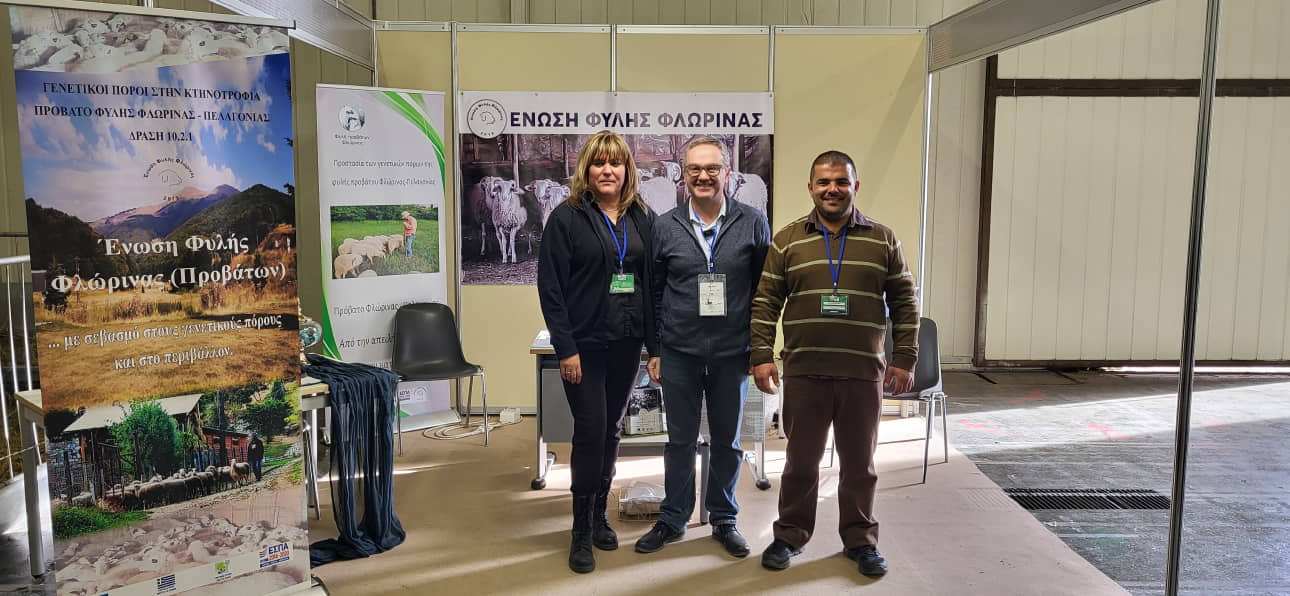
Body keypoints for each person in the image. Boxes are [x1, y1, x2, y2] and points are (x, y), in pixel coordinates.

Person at [750, 150, 919, 577]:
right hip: (805, 371)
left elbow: (905, 302)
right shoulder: (788, 240)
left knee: (860, 466)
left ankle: (861, 541)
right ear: (810, 187)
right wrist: (761, 355)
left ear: (854, 186)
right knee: (800, 463)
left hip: (862, 373)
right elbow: (766, 301)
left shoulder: (882, 239)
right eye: (824, 182)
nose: (832, 189)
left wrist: (905, 357)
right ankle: (790, 535)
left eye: (841, 181)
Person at [634, 137, 770, 558]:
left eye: (712, 168)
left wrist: (760, 350)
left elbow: (763, 292)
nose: (703, 176)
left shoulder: (752, 221)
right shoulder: (665, 225)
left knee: (728, 441)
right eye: (694, 169)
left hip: (732, 352)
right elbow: (654, 292)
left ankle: (724, 518)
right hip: (679, 352)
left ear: (727, 173)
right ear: (684, 175)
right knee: (679, 441)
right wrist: (656, 349)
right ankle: (673, 517)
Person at [537, 130, 658, 574]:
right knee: (589, 431)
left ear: (627, 170)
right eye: (599, 163)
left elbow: (652, 285)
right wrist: (565, 348)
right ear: (586, 169)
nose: (607, 170)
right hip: (584, 346)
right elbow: (551, 289)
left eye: (615, 163)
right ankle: (580, 529)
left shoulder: (642, 216)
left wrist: (655, 346)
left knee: (611, 430)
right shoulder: (566, 218)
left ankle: (599, 514)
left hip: (627, 341)